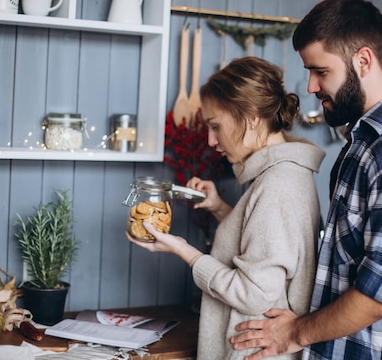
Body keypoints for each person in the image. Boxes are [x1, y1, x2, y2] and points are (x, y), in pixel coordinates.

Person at [230, 0, 382, 360]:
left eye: (321, 71)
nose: (312, 87)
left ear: (363, 60)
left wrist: (295, 333)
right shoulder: (363, 144)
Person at [127, 56, 326, 360]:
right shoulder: (283, 175)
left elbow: (254, 293)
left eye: (216, 126)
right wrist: (220, 208)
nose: (210, 140)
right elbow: (264, 247)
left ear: (250, 118)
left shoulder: (277, 186)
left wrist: (187, 253)